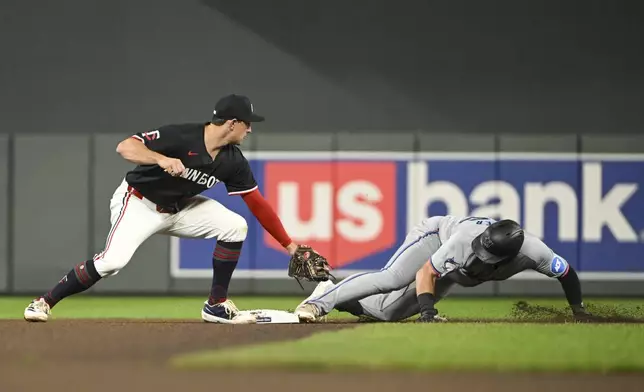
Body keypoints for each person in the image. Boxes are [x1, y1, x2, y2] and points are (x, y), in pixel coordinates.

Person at [24, 94, 303, 324]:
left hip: (181, 208)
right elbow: (125, 147)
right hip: (138, 203)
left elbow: (257, 203)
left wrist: (289, 245)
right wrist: (160, 158)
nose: (250, 129)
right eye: (247, 123)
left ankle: (216, 305)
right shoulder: (182, 136)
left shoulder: (234, 161)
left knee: (235, 225)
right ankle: (43, 302)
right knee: (112, 262)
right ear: (232, 123)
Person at [295, 216, 592, 323]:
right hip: (435, 236)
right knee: (392, 278)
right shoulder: (463, 240)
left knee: (388, 313)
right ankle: (320, 303)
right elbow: (427, 272)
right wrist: (428, 313)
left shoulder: (535, 252)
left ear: (508, 256)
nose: (481, 251)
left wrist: (577, 310)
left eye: (488, 253)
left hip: (459, 273)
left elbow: (567, 273)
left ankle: (337, 292)